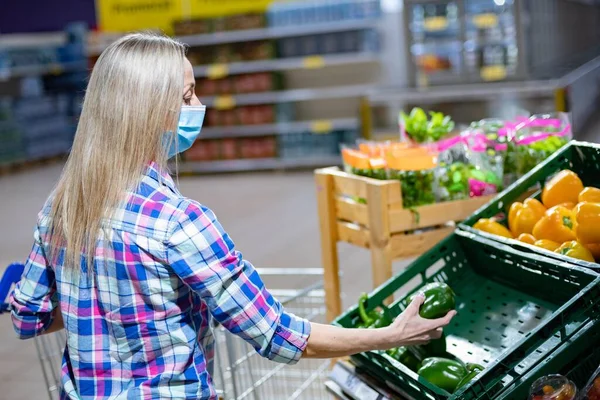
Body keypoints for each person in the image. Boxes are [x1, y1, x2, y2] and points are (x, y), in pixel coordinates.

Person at [10, 33, 456, 400]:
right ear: (147, 113)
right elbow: (278, 335)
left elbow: (28, 318)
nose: (198, 104)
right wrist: (390, 335)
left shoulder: (60, 206)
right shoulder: (179, 222)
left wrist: (98, 302)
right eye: (187, 95)